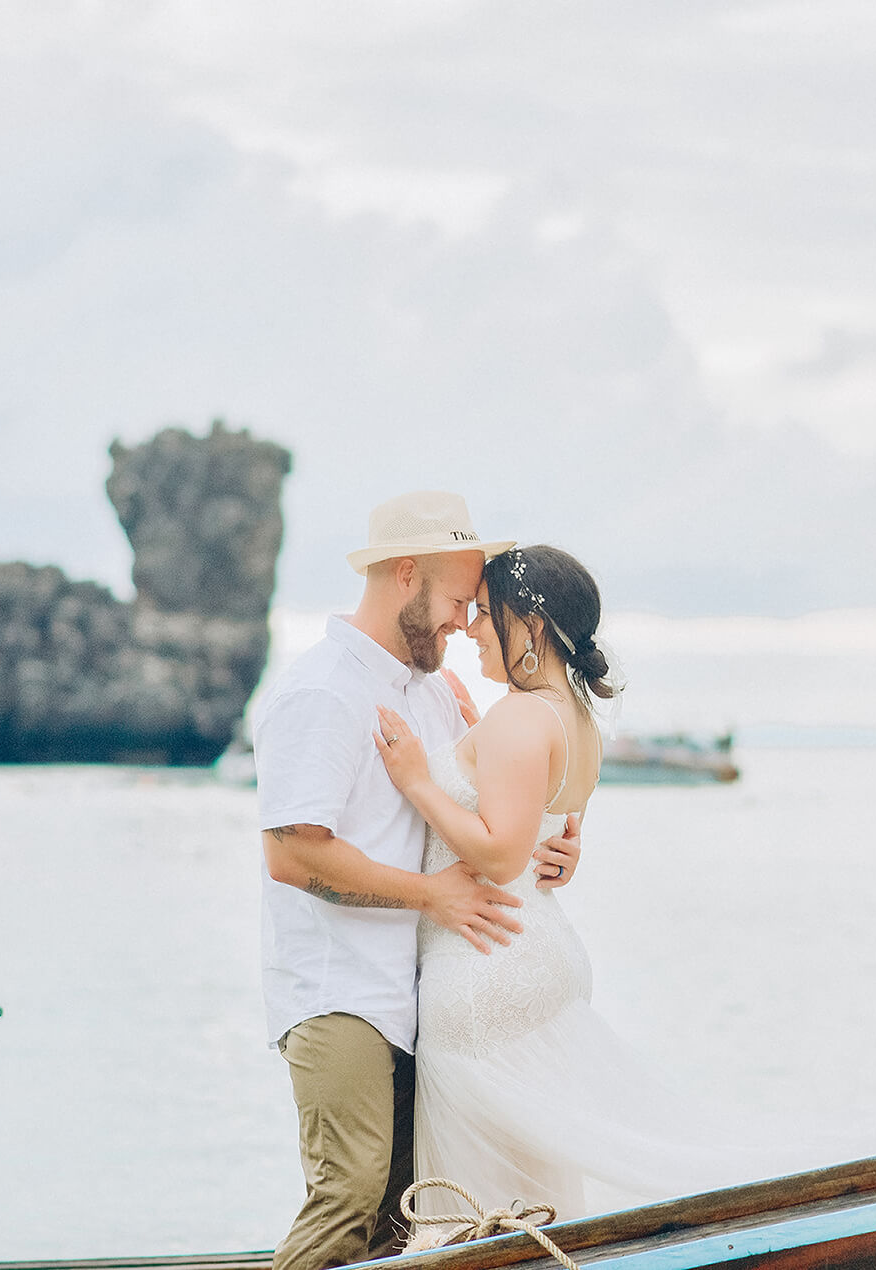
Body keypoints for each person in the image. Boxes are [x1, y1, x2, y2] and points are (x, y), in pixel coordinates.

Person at [372, 544, 770, 1243]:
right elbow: (538, 825)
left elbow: (498, 853)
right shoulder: (574, 716)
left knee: (476, 1210)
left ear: (531, 626)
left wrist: (416, 781)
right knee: (538, 1200)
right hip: (537, 948)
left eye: (486, 616)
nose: (470, 629)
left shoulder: (522, 718)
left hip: (483, 966)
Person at [254, 491, 584, 1270]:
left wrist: (555, 844)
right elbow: (292, 856)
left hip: (419, 997)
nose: (465, 623)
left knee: (408, 1221)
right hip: (341, 992)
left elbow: (487, 806)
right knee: (350, 1193)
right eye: (460, 601)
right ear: (407, 574)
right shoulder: (322, 691)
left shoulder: (435, 692)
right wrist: (433, 897)